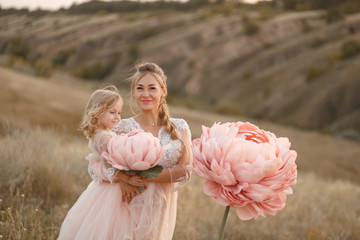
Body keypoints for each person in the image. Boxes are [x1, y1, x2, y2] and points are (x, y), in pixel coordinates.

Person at [113, 62, 193, 240]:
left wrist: (142, 177)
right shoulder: (122, 127)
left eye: (152, 88)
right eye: (140, 88)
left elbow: (186, 171)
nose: (145, 94)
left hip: (160, 207)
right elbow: (99, 166)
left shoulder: (180, 127)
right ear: (133, 91)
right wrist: (123, 178)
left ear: (163, 91)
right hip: (125, 206)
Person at [58, 86, 145, 240]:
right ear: (97, 112)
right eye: (112, 112)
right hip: (110, 193)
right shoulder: (105, 138)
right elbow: (109, 168)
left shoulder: (101, 134)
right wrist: (129, 179)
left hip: (103, 190)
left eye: (119, 112)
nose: (117, 117)